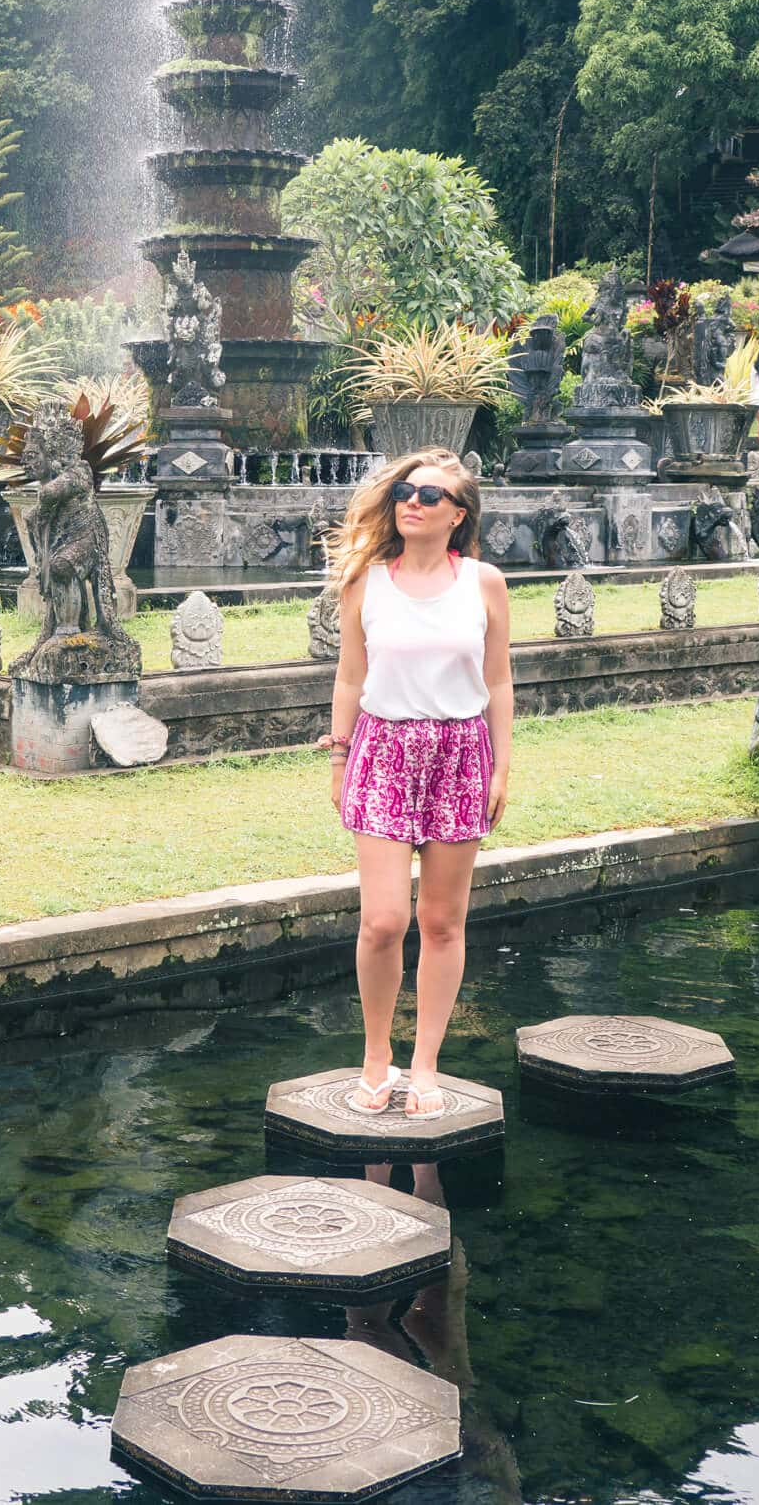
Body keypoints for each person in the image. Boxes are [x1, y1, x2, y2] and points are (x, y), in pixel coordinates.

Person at [320, 449, 512, 1118]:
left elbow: (496, 680)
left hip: (460, 752)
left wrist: (500, 766)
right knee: (381, 920)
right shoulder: (364, 582)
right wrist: (339, 758)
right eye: (404, 491)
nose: (411, 502)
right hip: (381, 749)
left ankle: (424, 1066)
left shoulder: (483, 583)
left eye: (429, 496)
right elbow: (349, 674)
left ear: (456, 514)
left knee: (439, 923)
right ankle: (376, 1059)